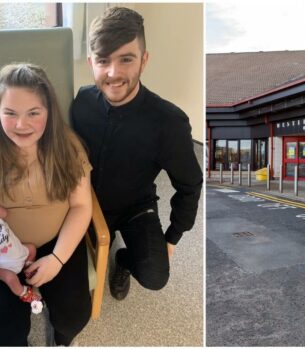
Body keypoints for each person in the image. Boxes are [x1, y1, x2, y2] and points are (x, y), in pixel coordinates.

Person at [71, 7, 202, 301]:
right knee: (73, 274)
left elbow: (190, 184)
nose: (113, 73)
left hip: (135, 207)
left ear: (144, 60)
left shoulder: (169, 122)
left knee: (156, 276)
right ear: (92, 62)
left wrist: (173, 236)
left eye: (126, 59)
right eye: (103, 60)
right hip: (86, 203)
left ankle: (124, 260)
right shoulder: (81, 101)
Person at [0, 63, 92, 346]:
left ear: (49, 112)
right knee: (5, 331)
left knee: (75, 315)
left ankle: (62, 340)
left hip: (56, 240)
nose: (21, 124)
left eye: (33, 113)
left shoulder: (67, 146)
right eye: (10, 113)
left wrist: (56, 259)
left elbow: (81, 206)